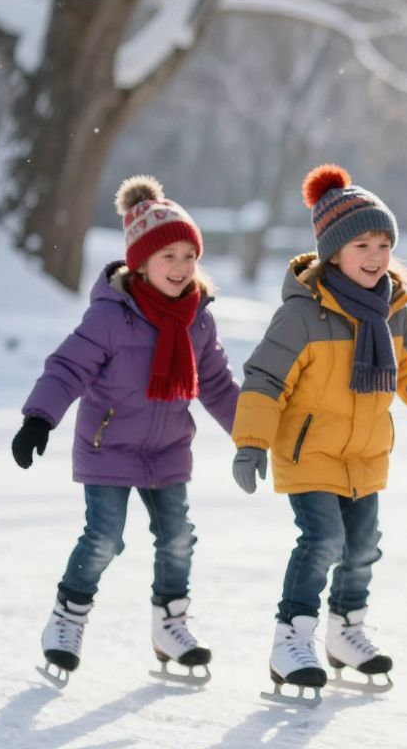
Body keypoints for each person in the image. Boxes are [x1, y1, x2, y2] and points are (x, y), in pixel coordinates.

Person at [232, 164, 407, 698]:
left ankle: (346, 632)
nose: (375, 255)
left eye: (384, 243)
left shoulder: (392, 312)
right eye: (362, 242)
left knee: (363, 547)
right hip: (309, 452)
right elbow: (264, 379)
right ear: (333, 252)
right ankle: (291, 639)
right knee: (323, 541)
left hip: (364, 456)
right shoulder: (302, 316)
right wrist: (250, 444)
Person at [16, 176, 241, 684]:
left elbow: (220, 387)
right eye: (169, 257)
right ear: (140, 263)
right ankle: (66, 620)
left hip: (167, 449)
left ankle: (171, 625)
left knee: (178, 537)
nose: (182, 268)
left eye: (189, 256)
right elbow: (68, 368)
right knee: (104, 539)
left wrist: (253, 435)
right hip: (108, 446)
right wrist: (39, 418)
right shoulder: (111, 315)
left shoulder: (197, 320)